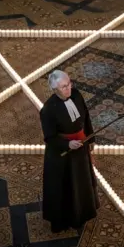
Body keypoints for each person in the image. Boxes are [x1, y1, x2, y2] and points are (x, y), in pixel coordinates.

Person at [39, 70, 100, 234]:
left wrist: (90, 139)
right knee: (68, 187)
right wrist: (67, 144)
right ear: (55, 89)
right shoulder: (48, 110)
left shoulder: (76, 94)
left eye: (69, 84)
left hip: (80, 146)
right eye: (64, 87)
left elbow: (85, 117)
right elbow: (50, 138)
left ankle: (84, 212)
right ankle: (70, 219)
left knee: (82, 183)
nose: (69, 88)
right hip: (62, 156)